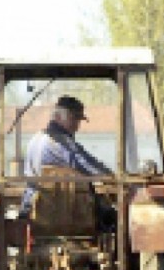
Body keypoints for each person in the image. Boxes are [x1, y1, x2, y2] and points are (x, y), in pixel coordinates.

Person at [19, 95, 114, 227]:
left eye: (78, 121)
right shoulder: (60, 142)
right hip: (51, 210)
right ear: (57, 117)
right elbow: (86, 164)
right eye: (73, 119)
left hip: (30, 206)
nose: (76, 126)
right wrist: (112, 177)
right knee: (110, 217)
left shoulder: (36, 138)